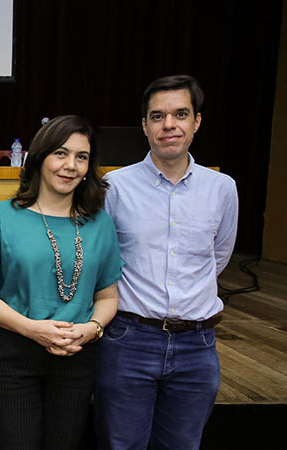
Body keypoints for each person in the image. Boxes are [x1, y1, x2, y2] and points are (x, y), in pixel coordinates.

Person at [95, 75, 239, 449]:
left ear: (197, 121)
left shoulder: (222, 189)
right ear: (144, 126)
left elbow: (218, 255)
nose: (169, 125)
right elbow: (104, 261)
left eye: (180, 114)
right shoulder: (115, 187)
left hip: (198, 344)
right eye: (157, 116)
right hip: (129, 340)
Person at [0, 115, 123, 449]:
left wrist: (92, 328)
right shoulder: (2, 215)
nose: (71, 165)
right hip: (12, 355)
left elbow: (108, 296)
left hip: (77, 356)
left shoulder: (101, 223)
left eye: (82, 157)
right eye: (61, 153)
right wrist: (30, 328)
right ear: (39, 157)